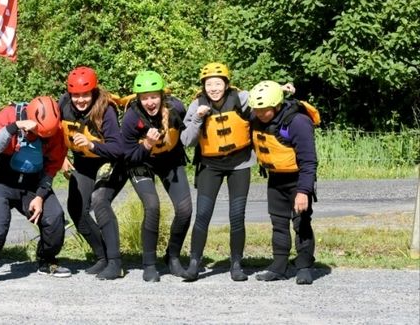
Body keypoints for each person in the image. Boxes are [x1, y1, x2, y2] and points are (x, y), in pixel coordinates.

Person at [0, 95, 70, 284]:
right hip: (3, 177)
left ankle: (47, 259)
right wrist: (14, 127)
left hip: (33, 181)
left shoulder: (56, 130)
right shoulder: (9, 115)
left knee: (54, 216)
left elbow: (52, 166)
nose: (43, 137)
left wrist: (41, 196)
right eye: (40, 133)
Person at [181, 62, 254, 282]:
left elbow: (266, 98)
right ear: (203, 86)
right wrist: (198, 118)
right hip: (210, 167)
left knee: (236, 216)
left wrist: (283, 90)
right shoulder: (196, 105)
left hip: (239, 165)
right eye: (209, 84)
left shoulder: (241, 99)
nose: (213, 88)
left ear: (226, 83)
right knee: (203, 214)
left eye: (218, 83)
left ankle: (236, 264)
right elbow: (187, 141)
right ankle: (194, 264)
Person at [121, 70, 192, 281]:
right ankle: (149, 264)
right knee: (152, 206)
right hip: (140, 162)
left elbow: (188, 133)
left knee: (185, 210)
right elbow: (129, 157)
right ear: (138, 99)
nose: (150, 102)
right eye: (144, 98)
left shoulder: (176, 107)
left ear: (162, 96)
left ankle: (172, 257)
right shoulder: (131, 117)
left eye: (154, 96)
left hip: (170, 160)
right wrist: (147, 144)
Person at [248, 80, 318, 285]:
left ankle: (304, 266)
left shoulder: (297, 122)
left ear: (277, 105)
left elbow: (309, 161)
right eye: (257, 109)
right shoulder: (256, 116)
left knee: (301, 222)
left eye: (265, 110)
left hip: (297, 179)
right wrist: (279, 86)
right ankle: (279, 267)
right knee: (278, 224)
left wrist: (304, 191)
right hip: (276, 178)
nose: (259, 114)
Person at [59, 66, 126, 280]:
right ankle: (102, 257)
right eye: (76, 95)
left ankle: (115, 263)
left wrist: (91, 144)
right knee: (76, 208)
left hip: (110, 161)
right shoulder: (63, 105)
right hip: (84, 162)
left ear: (94, 92)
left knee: (99, 202)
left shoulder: (106, 110)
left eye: (85, 94)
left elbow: (118, 148)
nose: (80, 100)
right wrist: (61, 157)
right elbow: (52, 134)